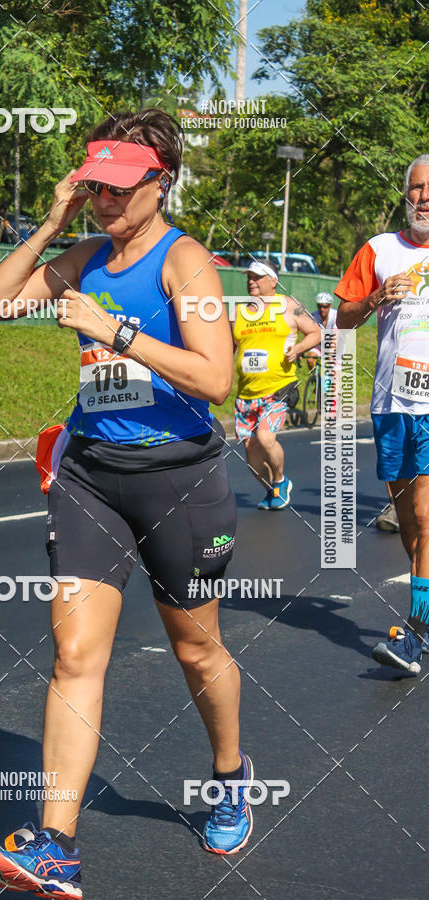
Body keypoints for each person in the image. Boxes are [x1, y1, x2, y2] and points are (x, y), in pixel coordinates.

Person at [0, 109, 252, 898]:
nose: (105, 200)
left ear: (160, 183)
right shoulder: (85, 251)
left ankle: (230, 776)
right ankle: (54, 846)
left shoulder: (185, 261)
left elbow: (215, 380)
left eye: (120, 188)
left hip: (181, 478)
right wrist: (51, 221)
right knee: (73, 655)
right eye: (96, 185)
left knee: (197, 649)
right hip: (93, 473)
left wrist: (117, 329)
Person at [335, 153, 429, 674]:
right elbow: (341, 319)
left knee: (424, 516)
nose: (425, 197)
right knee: (411, 528)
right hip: (392, 402)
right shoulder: (379, 250)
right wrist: (373, 298)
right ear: (405, 193)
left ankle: (415, 633)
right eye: (417, 188)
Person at [232, 260, 321, 511]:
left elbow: (315, 332)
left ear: (273, 281)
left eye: (258, 277)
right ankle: (271, 489)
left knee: (265, 438)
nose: (251, 281)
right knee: (251, 457)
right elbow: (229, 347)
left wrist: (299, 349)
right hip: (246, 393)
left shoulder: (289, 306)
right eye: (249, 276)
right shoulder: (239, 312)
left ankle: (281, 480)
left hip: (279, 388)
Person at [305, 292, 338, 370]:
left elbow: (335, 337)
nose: (322, 309)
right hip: (321, 342)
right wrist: (301, 351)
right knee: (310, 359)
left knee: (333, 370)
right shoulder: (313, 316)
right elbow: (309, 335)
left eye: (325, 307)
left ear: (330, 306)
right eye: (319, 306)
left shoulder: (336, 316)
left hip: (335, 343)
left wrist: (330, 354)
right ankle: (314, 378)